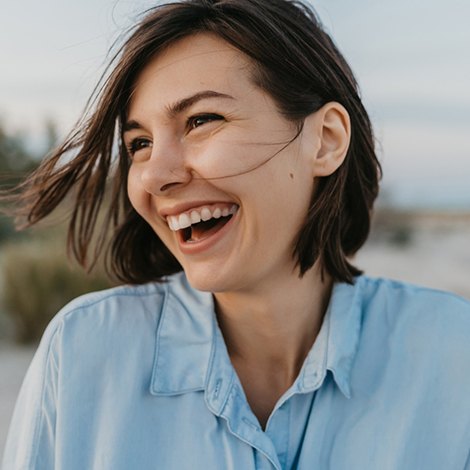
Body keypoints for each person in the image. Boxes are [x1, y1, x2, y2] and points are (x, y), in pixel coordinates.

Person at [2, 0, 470, 469]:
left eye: (202, 120)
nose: (153, 175)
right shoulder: (82, 352)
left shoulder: (452, 353)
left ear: (325, 139)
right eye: (139, 144)